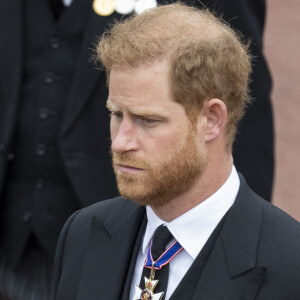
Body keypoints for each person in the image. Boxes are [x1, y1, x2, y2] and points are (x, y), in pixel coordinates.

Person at [0, 0, 273, 299]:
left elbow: (239, 105)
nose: (120, 141)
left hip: (127, 248)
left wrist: (242, 256)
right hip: (12, 237)